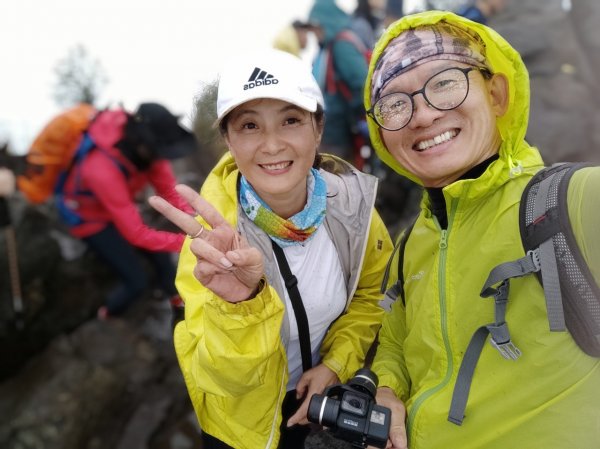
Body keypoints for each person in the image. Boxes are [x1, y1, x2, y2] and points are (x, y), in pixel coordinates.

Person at [363, 10, 600, 449]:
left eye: (444, 83)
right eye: (395, 103)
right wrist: (387, 390)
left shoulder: (572, 200)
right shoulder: (410, 244)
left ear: (496, 93)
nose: (422, 115)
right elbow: (395, 343)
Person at [148, 48, 392, 449]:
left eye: (291, 120)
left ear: (317, 128)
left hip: (319, 404)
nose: (272, 144)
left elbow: (369, 295)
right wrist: (239, 307)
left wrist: (335, 364)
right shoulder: (211, 242)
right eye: (249, 126)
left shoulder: (354, 210)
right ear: (228, 139)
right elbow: (221, 379)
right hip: (243, 428)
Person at [59, 102, 197, 320]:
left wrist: (197, 222)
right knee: (136, 281)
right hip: (90, 219)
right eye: (159, 151)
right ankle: (106, 315)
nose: (163, 157)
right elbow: (136, 234)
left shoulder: (149, 152)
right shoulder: (100, 168)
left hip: (118, 208)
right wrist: (190, 244)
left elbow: (170, 192)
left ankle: (181, 306)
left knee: (163, 260)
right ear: (142, 143)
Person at [308, 0, 370, 163]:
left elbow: (362, 83)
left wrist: (358, 117)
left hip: (341, 132)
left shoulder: (342, 45)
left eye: (317, 25)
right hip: (332, 130)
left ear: (327, 20)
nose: (315, 32)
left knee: (338, 179)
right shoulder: (327, 48)